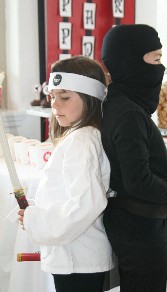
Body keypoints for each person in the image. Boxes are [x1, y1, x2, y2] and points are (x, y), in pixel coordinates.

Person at [100, 24, 167, 292]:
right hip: (139, 229)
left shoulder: (118, 104)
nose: (160, 67)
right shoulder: (129, 114)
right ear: (130, 61)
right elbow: (138, 181)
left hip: (134, 225)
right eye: (155, 58)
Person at [18, 56, 114, 292]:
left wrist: (36, 220)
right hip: (78, 256)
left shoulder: (81, 140)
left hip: (77, 257)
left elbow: (86, 204)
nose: (55, 105)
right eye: (52, 97)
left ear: (90, 98)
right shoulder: (82, 135)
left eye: (65, 97)